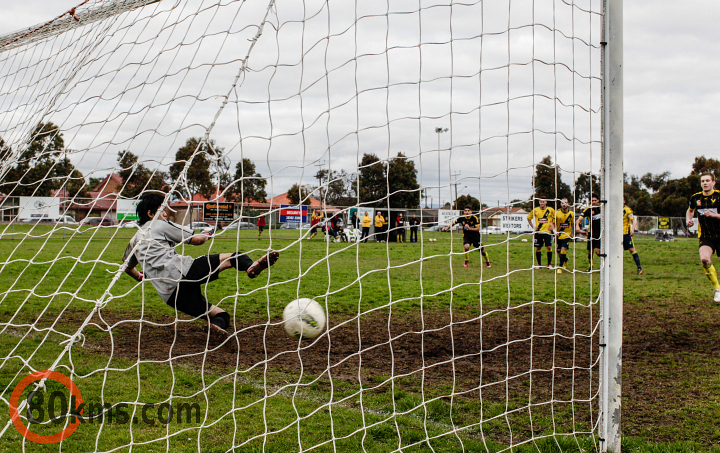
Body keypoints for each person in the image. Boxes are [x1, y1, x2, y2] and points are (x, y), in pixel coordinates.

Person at [122, 193, 279, 339]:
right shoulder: (158, 225)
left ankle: (216, 328)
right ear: (150, 214)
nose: (165, 213)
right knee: (234, 257)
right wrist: (207, 232)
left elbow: (127, 267)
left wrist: (140, 276)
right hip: (185, 272)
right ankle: (250, 267)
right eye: (162, 210)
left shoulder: (133, 240)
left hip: (170, 294)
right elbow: (197, 240)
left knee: (221, 315)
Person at [686, 172, 720, 302]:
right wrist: (688, 220)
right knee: (705, 259)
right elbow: (690, 210)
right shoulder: (696, 198)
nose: (705, 183)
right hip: (706, 236)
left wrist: (714, 215)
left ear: (713, 183)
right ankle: (717, 289)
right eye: (702, 181)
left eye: (707, 181)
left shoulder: (718, 196)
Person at [575, 195, 602, 272]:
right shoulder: (588, 209)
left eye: (595, 200)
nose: (593, 202)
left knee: (598, 252)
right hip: (591, 233)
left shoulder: (602, 208)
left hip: (600, 233)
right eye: (592, 201)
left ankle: (605, 264)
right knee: (590, 252)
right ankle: (590, 266)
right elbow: (579, 219)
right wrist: (577, 226)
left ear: (598, 201)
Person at [527, 199, 556, 268]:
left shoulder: (551, 210)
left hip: (547, 232)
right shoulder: (535, 210)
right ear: (539, 202)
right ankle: (539, 264)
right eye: (540, 202)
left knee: (549, 247)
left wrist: (552, 227)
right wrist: (533, 226)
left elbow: (554, 219)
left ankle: (549, 264)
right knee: (538, 247)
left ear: (546, 202)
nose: (542, 203)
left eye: (543, 202)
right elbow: (528, 218)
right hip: (538, 232)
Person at [623, 197, 643, 275]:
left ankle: (639, 268)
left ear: (624, 201)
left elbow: (633, 221)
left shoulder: (627, 210)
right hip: (616, 234)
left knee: (632, 250)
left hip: (625, 234)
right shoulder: (613, 209)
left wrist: (633, 229)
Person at [554, 198, 574, 274]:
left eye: (565, 203)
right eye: (562, 203)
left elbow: (572, 224)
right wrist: (554, 231)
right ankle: (565, 260)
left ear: (568, 204)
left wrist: (575, 232)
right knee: (559, 252)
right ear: (560, 204)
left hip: (567, 235)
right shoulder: (557, 213)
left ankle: (560, 267)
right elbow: (552, 223)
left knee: (563, 250)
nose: (564, 204)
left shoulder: (571, 213)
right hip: (558, 235)